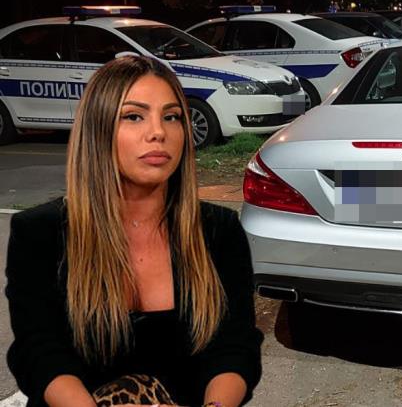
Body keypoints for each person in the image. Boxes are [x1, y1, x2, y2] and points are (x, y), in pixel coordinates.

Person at [5, 55, 263, 407]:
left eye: (172, 116)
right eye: (134, 116)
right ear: (98, 130)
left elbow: (235, 348)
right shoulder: (39, 233)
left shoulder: (219, 230)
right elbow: (41, 355)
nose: (158, 132)